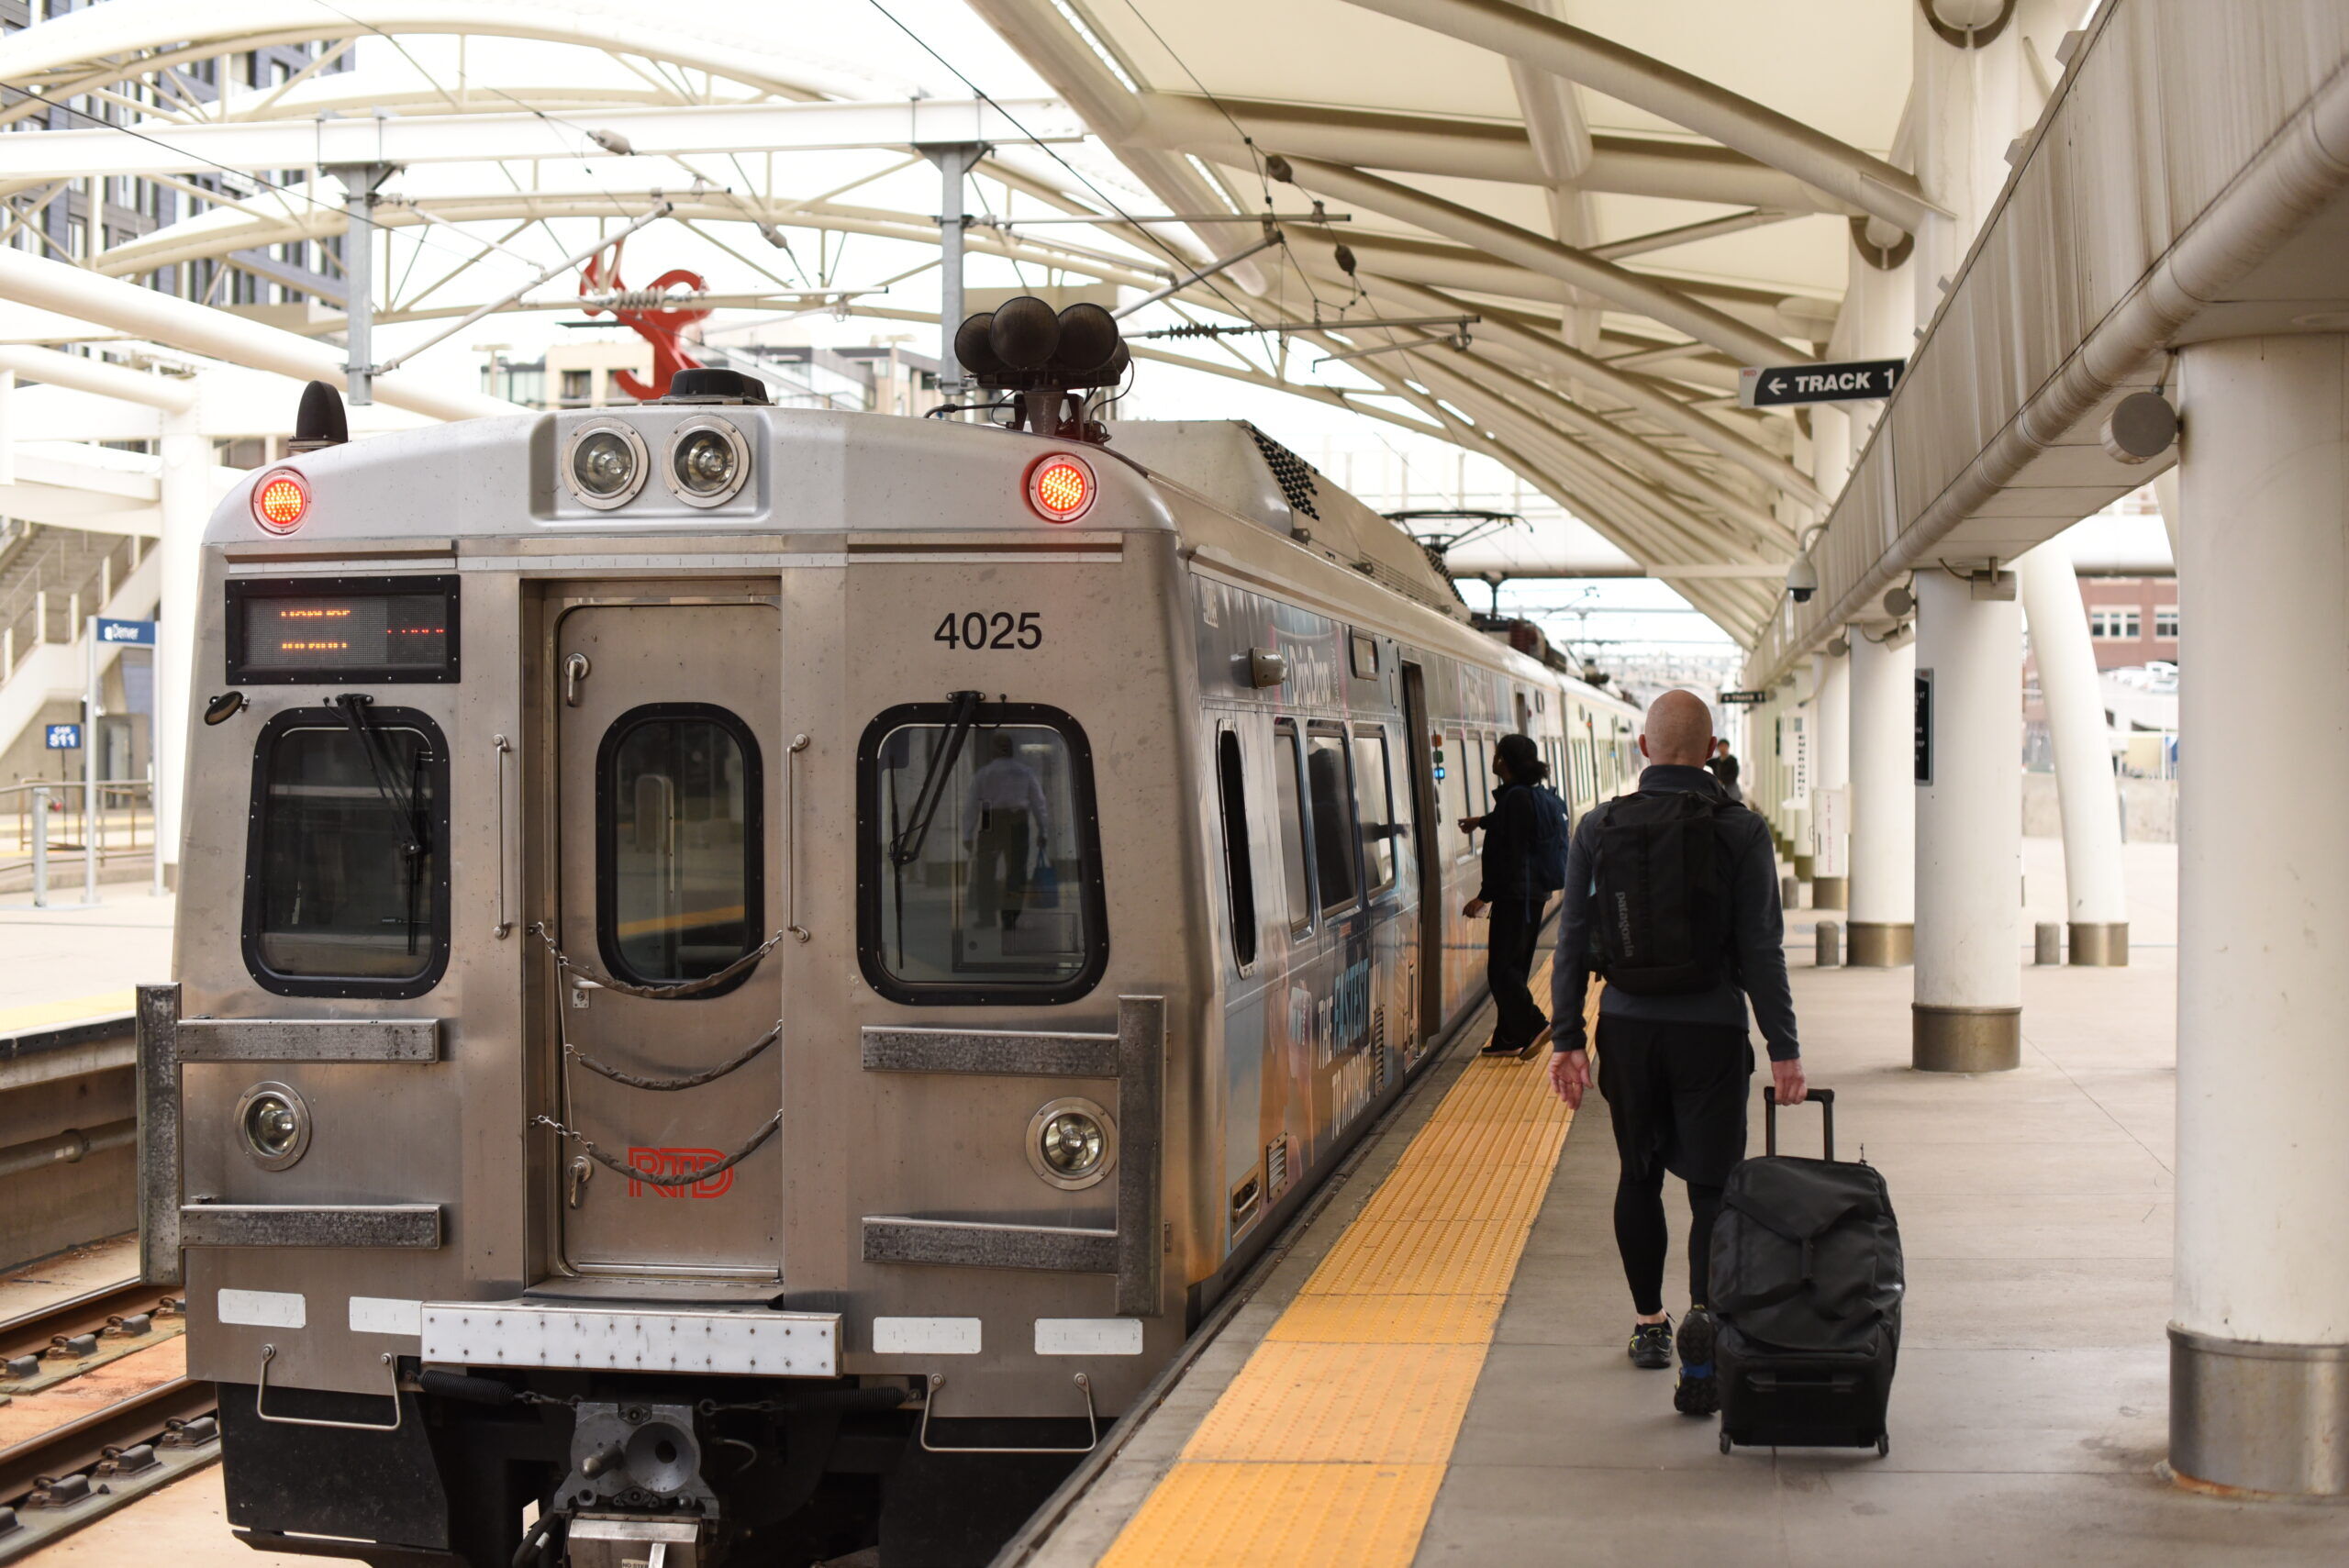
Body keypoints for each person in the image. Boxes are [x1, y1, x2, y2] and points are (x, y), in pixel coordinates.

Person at [1548, 689, 1803, 1418]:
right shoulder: (1742, 829)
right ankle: (1703, 1335)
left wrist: (1567, 1037)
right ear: (1714, 747)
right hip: (1713, 1032)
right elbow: (1762, 949)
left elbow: (1570, 941)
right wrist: (1783, 1048)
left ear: (1643, 749)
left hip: (1627, 1028)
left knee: (1638, 1175)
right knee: (1712, 1190)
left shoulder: (1598, 826)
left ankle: (1649, 1325)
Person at [1460, 733, 1569, 1059]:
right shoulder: (1524, 795)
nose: (1493, 759)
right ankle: (1508, 1036)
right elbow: (1511, 824)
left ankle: (1534, 1025)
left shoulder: (1515, 799)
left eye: (1497, 755)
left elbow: (1509, 853)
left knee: (1501, 969)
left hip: (1516, 896)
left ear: (1503, 762)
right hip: (1531, 893)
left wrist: (1484, 896)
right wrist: (1482, 822)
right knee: (1515, 966)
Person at [963, 734, 1049, 932]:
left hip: (988, 818)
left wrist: (968, 835)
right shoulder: (1025, 772)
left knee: (985, 871)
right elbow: (1039, 803)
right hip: (1016, 820)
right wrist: (1043, 830)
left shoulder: (984, 773)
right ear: (1012, 749)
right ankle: (1009, 918)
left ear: (993, 750)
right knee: (1016, 872)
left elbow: (972, 805)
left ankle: (986, 917)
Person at [1705, 737, 1743, 803]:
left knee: (1732, 802)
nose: (1722, 748)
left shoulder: (1733, 760)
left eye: (1724, 746)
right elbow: (1705, 761)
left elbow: (1734, 775)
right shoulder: (1716, 761)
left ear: (1728, 747)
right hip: (1719, 787)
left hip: (1731, 787)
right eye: (1721, 746)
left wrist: (1722, 780)